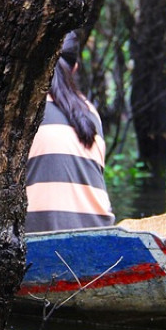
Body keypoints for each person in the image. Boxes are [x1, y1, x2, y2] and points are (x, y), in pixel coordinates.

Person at [25, 31, 114, 233]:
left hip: (40, 234)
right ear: (74, 68)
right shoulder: (90, 112)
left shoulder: (23, 109)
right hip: (100, 233)